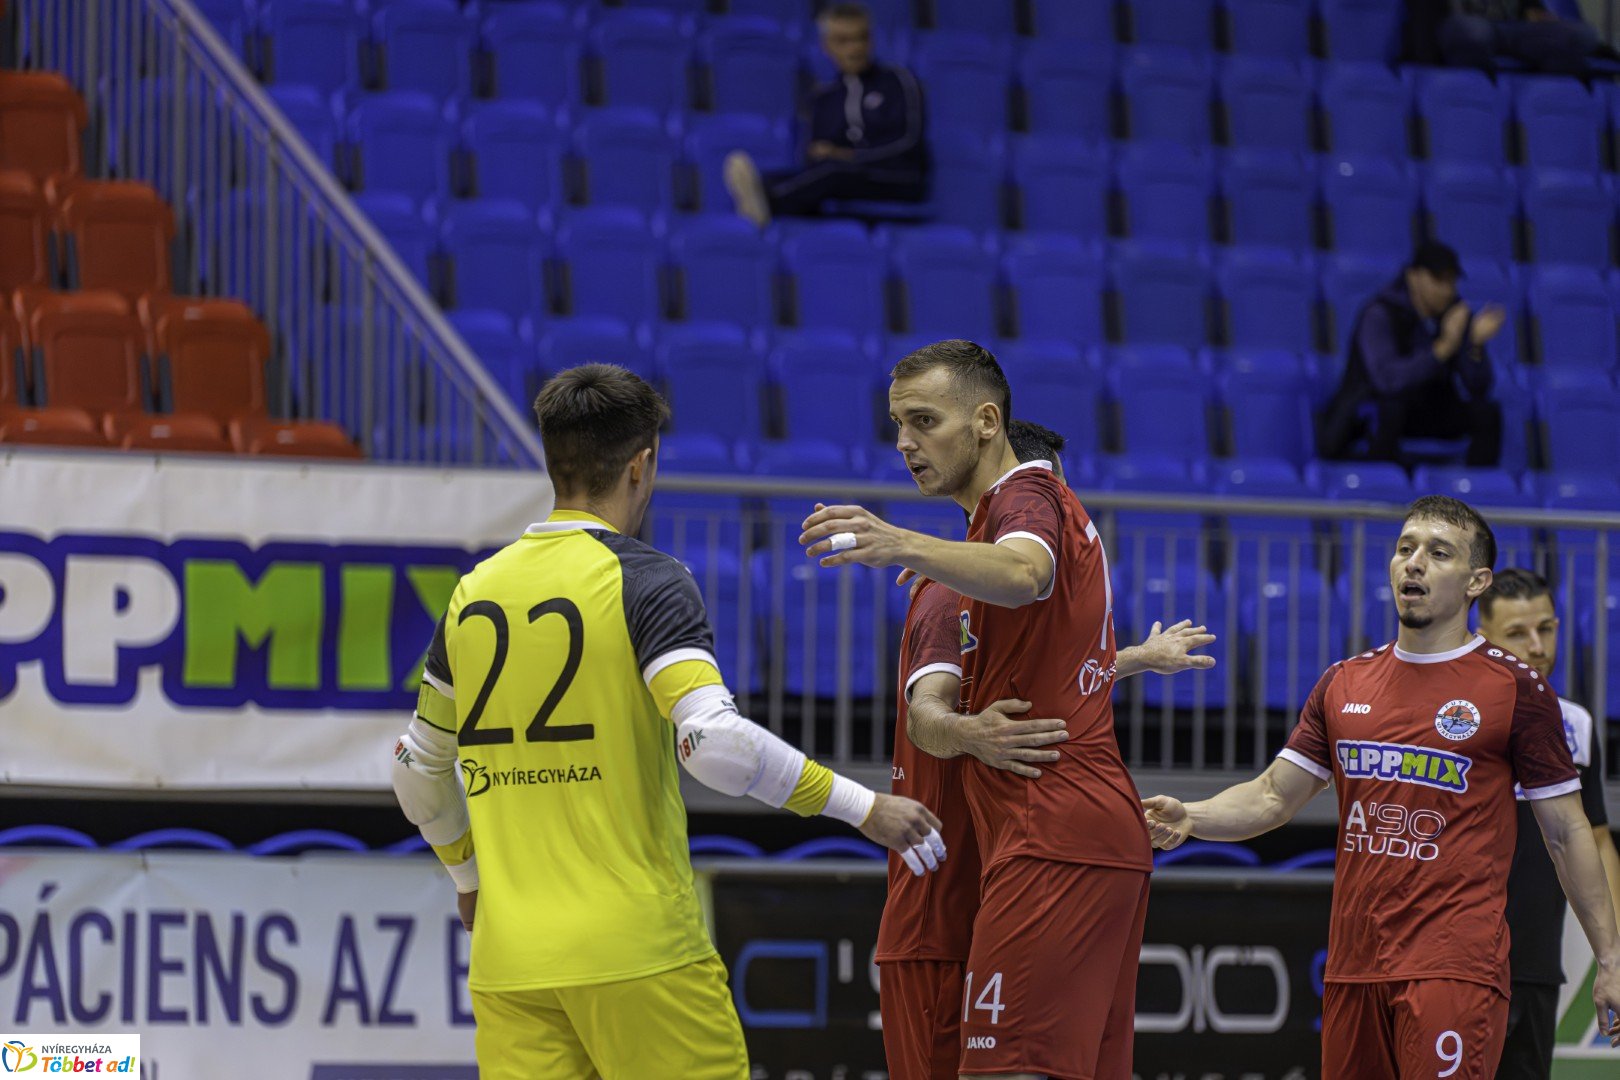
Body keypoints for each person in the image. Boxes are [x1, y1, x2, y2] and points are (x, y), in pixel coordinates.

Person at [389, 364, 947, 1079]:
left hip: (511, 963)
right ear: (641, 465)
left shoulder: (472, 595)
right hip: (637, 953)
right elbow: (711, 744)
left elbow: (415, 773)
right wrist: (862, 805)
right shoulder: (645, 579)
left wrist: (468, 879)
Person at [1142, 496, 1620, 1078]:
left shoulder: (1515, 689)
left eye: (1438, 553)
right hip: (1353, 968)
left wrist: (1611, 958)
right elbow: (1272, 795)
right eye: (1404, 548)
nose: (1413, 563)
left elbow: (1570, 834)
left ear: (1477, 582)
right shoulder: (1343, 683)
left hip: (1454, 969)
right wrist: (1191, 816)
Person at [800, 340, 1152, 1080]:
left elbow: (1024, 572)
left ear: (987, 422)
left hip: (1049, 826)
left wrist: (900, 540)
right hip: (1078, 826)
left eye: (924, 421)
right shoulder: (992, 537)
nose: (905, 443)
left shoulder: (1024, 497)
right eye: (897, 425)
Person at [878, 417, 1216, 1080]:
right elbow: (929, 715)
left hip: (1006, 890)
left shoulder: (1015, 615)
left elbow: (1051, 684)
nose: (1057, 525)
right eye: (1043, 506)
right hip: (941, 919)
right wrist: (972, 733)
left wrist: (1135, 658)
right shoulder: (954, 595)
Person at [1476, 569, 1620, 1079]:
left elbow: (1598, 839)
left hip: (1536, 967)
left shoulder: (1575, 726)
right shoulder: (1453, 722)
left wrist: (1614, 954)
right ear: (1482, 638)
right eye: (1517, 633)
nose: (1537, 647)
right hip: (1457, 967)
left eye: (1547, 628)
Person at [723, 2, 927, 227]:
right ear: (827, 45)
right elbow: (815, 154)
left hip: (896, 177)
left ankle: (767, 203)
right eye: (843, 40)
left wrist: (849, 156)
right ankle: (762, 192)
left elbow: (908, 141)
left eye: (861, 38)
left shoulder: (898, 81)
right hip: (846, 179)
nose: (855, 48)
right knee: (789, 176)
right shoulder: (825, 97)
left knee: (832, 172)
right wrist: (824, 153)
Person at [1318, 241, 1504, 468]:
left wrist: (1474, 344)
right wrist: (1442, 348)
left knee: (1486, 414)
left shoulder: (1453, 316)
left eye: (1452, 281)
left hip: (1426, 409)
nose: (1447, 290)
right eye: (1439, 280)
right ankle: (1384, 486)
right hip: (1372, 413)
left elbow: (1479, 387)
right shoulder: (1379, 314)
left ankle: (1479, 491)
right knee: (1391, 408)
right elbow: (1388, 381)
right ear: (1413, 276)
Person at [1427, 1, 1600, 76]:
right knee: (1472, 32)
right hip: (1463, 24)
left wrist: (1541, 17)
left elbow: (1529, 9)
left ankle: (1543, 97)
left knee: (1582, 35)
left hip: (1512, 27)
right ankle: (1485, 91)